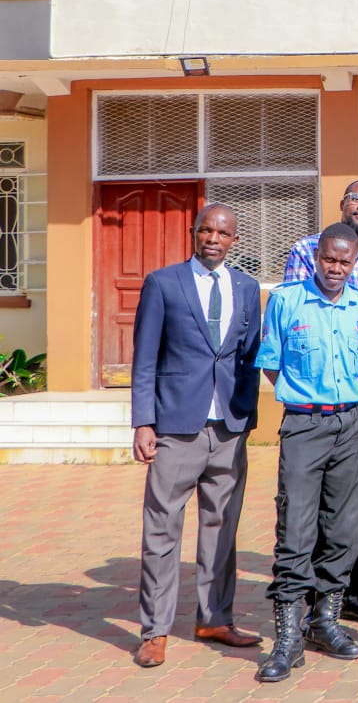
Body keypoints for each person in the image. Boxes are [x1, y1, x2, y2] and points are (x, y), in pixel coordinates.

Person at [130, 204, 263, 669]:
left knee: (221, 525)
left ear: (234, 240)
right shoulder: (163, 283)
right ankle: (155, 630)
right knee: (162, 529)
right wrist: (143, 422)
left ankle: (214, 617)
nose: (213, 238)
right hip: (176, 427)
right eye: (205, 229)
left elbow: (250, 357)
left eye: (223, 232)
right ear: (193, 233)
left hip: (229, 427)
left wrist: (247, 414)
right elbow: (144, 358)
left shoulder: (246, 288)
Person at [283, 179, 358, 625]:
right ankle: (315, 592)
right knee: (315, 501)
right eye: (357, 198)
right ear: (342, 204)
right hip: (321, 397)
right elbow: (299, 316)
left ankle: (353, 588)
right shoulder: (307, 249)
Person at [254, 222, 358, 682]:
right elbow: (270, 364)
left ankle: (324, 620)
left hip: (352, 422)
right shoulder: (285, 301)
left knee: (344, 527)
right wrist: (302, 397)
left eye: (344, 261)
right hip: (305, 424)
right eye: (329, 259)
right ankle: (287, 638)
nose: (335, 268)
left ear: (353, 262)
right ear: (315, 257)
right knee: (296, 527)